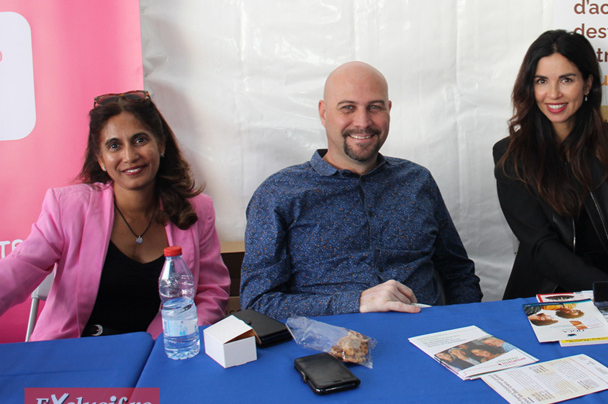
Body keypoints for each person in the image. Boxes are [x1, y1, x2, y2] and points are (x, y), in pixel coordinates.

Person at [241, 62, 482, 318]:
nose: (363, 122)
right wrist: (354, 302)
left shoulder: (418, 181)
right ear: (323, 113)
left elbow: (458, 274)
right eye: (348, 108)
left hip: (426, 340)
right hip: (328, 347)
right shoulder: (279, 193)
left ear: (389, 110)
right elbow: (257, 303)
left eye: (375, 107)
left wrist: (467, 328)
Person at [0, 91, 229, 340]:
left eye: (140, 140)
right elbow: (20, 268)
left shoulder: (198, 210)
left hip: (160, 353)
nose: (129, 156)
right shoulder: (68, 207)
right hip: (77, 354)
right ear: (100, 159)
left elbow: (211, 291)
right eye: (114, 145)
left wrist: (178, 337)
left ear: (161, 144)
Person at [493, 30, 608, 299]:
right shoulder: (510, 155)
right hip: (548, 295)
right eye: (541, 81)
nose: (553, 94)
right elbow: (541, 246)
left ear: (587, 84)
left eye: (566, 80)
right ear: (530, 87)